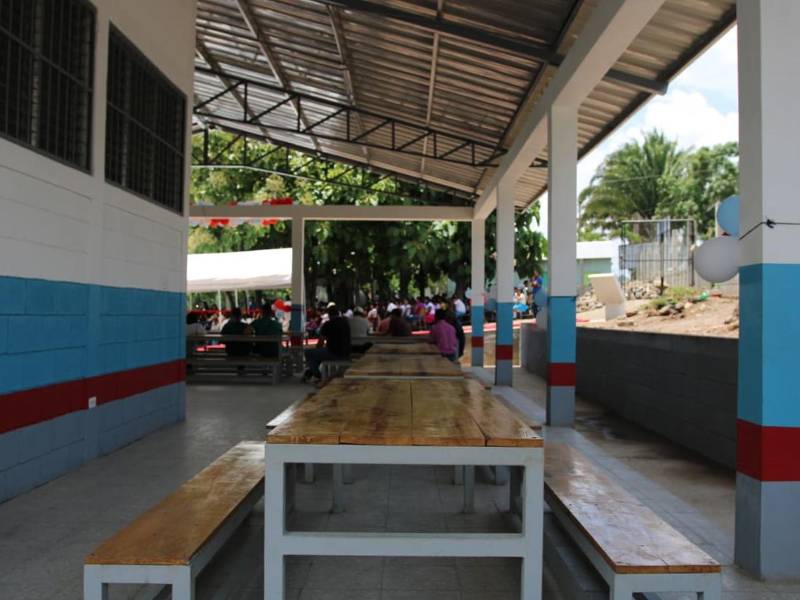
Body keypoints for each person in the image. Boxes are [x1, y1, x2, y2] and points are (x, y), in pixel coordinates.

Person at [303, 305, 351, 383]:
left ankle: (318, 376)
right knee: (317, 354)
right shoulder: (345, 322)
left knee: (308, 353)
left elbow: (320, 342)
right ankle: (312, 372)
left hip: (333, 353)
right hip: (346, 352)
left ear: (328, 315)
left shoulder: (328, 324)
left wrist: (317, 348)